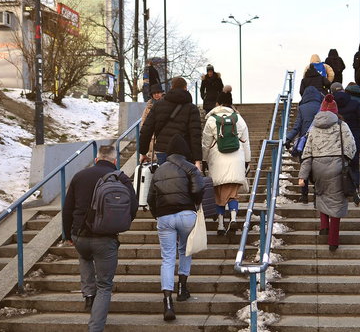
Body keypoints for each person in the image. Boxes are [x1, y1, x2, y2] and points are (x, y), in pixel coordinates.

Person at [62, 145, 138, 332]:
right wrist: (118, 222)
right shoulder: (121, 178)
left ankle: (88, 294)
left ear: (97, 159)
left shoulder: (80, 176)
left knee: (85, 256)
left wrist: (67, 234)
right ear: (114, 161)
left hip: (79, 235)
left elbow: (67, 208)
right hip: (105, 238)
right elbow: (133, 206)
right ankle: (95, 328)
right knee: (104, 285)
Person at [148, 134, 206, 321]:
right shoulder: (190, 168)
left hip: (164, 216)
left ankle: (168, 302)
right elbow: (199, 189)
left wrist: (158, 214)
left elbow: (150, 198)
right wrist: (194, 205)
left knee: (167, 258)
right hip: (186, 214)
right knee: (185, 251)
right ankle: (182, 288)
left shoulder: (158, 170)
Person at [298, 94, 357, 251]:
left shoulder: (314, 127)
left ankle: (324, 226)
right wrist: (347, 159)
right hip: (337, 165)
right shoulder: (341, 125)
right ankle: (333, 241)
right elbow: (351, 145)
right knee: (337, 200)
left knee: (321, 194)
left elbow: (307, 152)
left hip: (317, 166)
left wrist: (302, 175)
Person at [201, 86, 251, 235]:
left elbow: (206, 144)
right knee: (232, 193)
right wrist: (247, 161)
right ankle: (234, 218)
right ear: (231, 104)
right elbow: (245, 142)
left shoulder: (211, 120)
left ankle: (221, 226)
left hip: (217, 162)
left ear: (217, 104)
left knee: (218, 194)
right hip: (236, 160)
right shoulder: (239, 119)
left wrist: (204, 160)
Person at [139, 77, 203, 168]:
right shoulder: (192, 108)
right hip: (184, 152)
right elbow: (195, 135)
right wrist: (197, 160)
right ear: (185, 88)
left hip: (162, 150)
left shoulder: (158, 105)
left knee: (165, 179)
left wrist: (143, 152)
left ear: (171, 87)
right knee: (183, 180)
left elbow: (146, 130)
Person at [331, 82, 360, 206]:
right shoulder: (354, 103)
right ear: (344, 90)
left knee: (337, 167)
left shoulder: (331, 106)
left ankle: (339, 193)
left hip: (337, 141)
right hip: (353, 139)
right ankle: (355, 190)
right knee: (354, 166)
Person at [285, 86, 324, 204]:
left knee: (304, 169)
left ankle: (304, 195)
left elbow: (297, 126)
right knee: (318, 170)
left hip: (305, 144)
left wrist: (288, 139)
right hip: (320, 143)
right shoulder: (322, 107)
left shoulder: (302, 108)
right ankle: (317, 194)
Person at [140, 84, 165, 159]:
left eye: (158, 92)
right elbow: (143, 122)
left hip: (162, 138)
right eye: (154, 93)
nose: (156, 95)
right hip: (151, 137)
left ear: (162, 93)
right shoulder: (149, 106)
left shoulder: (166, 104)